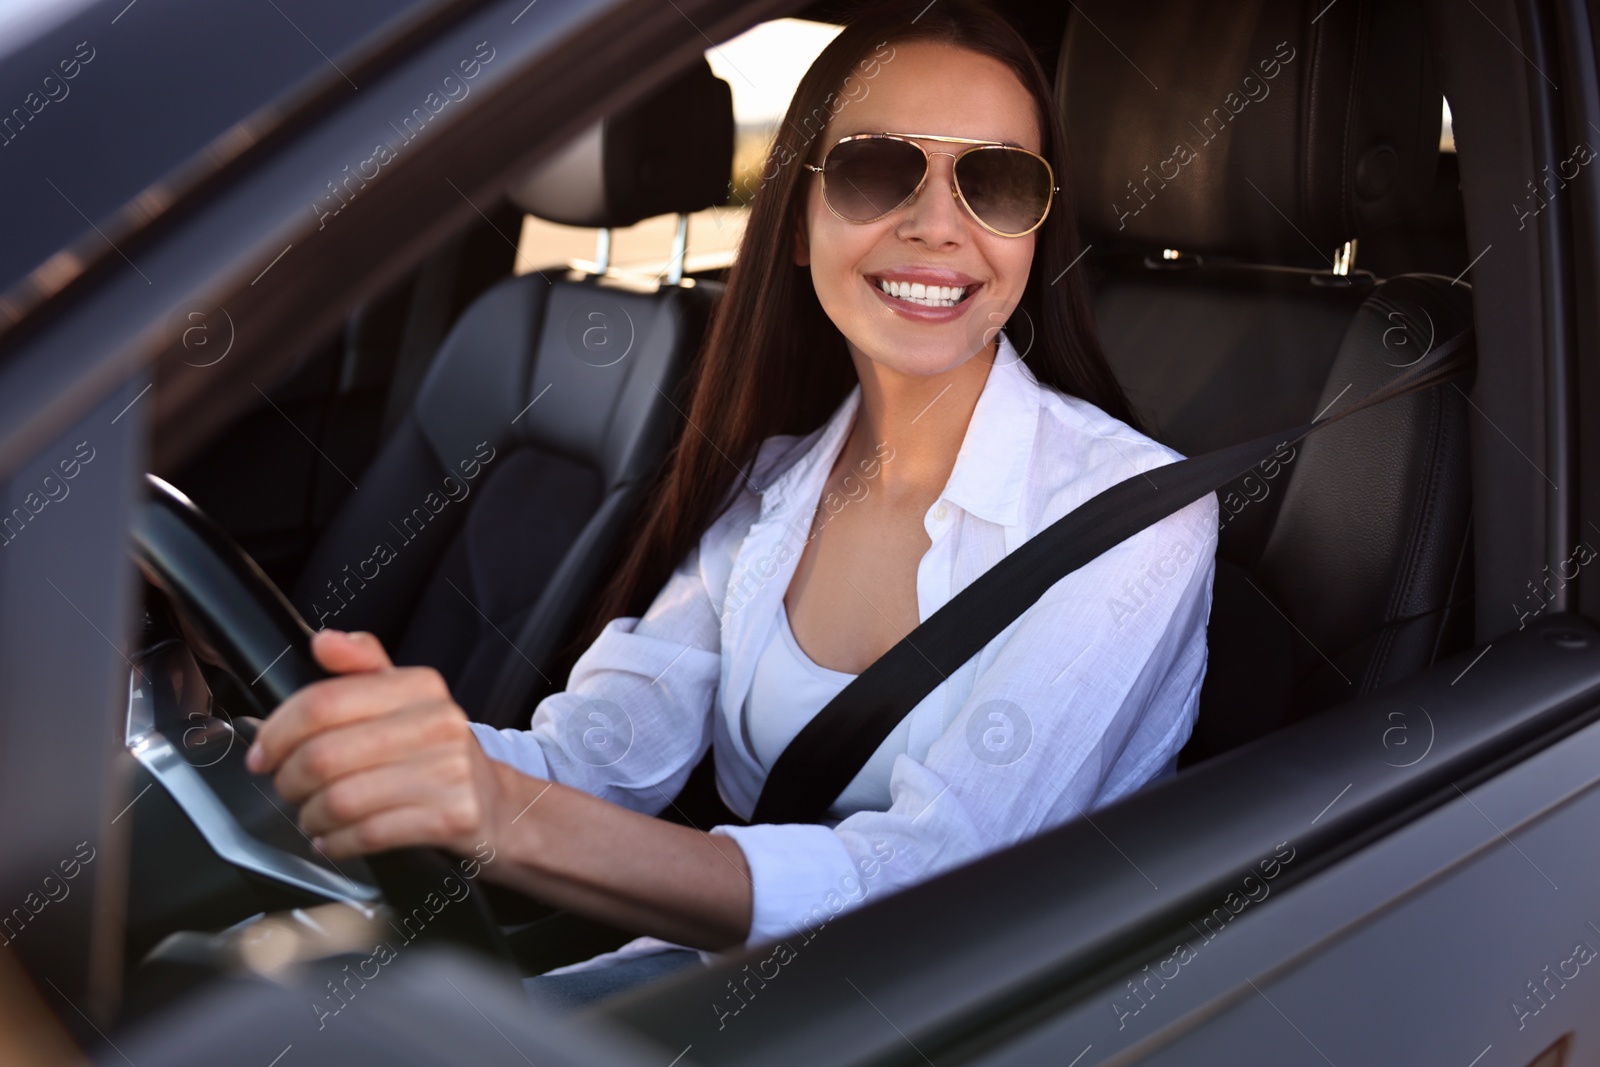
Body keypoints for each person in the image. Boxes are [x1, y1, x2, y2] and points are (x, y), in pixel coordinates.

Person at [244, 0, 1219, 1008]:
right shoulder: (769, 485)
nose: (938, 224)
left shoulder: (1132, 518)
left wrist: (503, 811)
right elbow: (596, 752)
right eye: (876, 169)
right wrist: (372, 745)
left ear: (1034, 228)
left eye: (997, 181)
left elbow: (926, 888)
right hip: (735, 995)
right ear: (796, 224)